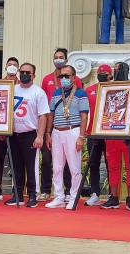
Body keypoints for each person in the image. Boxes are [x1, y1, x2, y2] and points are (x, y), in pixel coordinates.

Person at [39, 48, 83, 202]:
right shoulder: (47, 80)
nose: (58, 59)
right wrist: (46, 132)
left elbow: (80, 108)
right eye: (56, 57)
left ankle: (70, 194)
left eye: (61, 57)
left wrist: (81, 135)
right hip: (53, 126)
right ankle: (49, 192)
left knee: (71, 164)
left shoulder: (76, 84)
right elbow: (45, 105)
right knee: (50, 161)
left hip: (71, 127)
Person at [3, 62, 50, 208]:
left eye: (27, 72)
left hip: (30, 134)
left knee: (31, 167)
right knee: (15, 166)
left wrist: (40, 137)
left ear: (33, 75)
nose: (24, 74)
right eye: (22, 71)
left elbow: (43, 116)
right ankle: (17, 194)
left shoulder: (38, 92)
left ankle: (32, 195)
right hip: (13, 134)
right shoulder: (12, 89)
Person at [45, 65, 89, 210]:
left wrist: (81, 137)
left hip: (73, 131)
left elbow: (84, 116)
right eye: (61, 76)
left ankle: (74, 196)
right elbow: (50, 114)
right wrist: (48, 133)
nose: (63, 78)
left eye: (67, 76)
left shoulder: (81, 93)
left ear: (74, 77)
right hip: (57, 131)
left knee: (74, 167)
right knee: (57, 167)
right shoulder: (57, 93)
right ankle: (58, 197)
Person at [100, 62, 130, 210]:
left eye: (120, 69)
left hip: (128, 135)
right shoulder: (108, 90)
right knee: (113, 167)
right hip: (111, 133)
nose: (118, 72)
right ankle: (114, 197)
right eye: (115, 70)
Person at [83, 64, 111, 206]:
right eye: (100, 72)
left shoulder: (115, 90)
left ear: (110, 75)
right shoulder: (89, 90)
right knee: (93, 163)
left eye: (105, 72)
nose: (102, 74)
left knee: (110, 163)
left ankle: (112, 194)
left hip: (110, 132)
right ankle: (95, 193)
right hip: (93, 132)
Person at [0, 57, 20, 201]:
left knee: (16, 160)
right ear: (5, 68)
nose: (12, 67)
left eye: (14, 65)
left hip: (18, 128)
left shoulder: (22, 85)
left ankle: (16, 188)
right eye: (9, 65)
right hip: (1, 128)